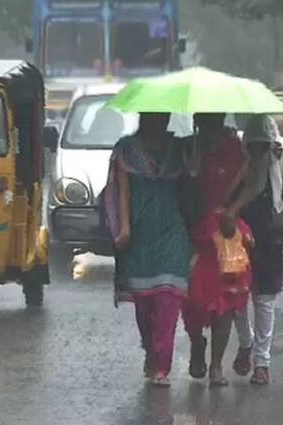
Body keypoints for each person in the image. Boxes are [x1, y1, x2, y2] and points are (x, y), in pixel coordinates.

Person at [102, 113, 192, 387]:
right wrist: (125, 227)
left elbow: (190, 187)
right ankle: (151, 350)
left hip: (172, 232)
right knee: (144, 304)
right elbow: (122, 191)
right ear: (144, 117)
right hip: (140, 234)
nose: (161, 120)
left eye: (165, 115)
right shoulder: (127, 149)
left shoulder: (179, 150)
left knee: (168, 297)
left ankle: (162, 365)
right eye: (155, 115)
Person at [223, 114, 283, 385]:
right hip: (237, 238)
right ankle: (245, 343)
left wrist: (275, 154)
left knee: (264, 299)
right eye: (253, 144)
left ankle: (262, 362)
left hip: (269, 237)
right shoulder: (237, 161)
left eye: (263, 144)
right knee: (237, 297)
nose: (258, 150)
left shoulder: (278, 156)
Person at [181, 113, 252, 387]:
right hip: (193, 233)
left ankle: (216, 366)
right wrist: (192, 172)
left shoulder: (236, 148)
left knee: (225, 303)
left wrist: (232, 212)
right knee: (192, 301)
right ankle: (197, 344)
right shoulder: (189, 147)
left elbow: (251, 183)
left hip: (226, 233)